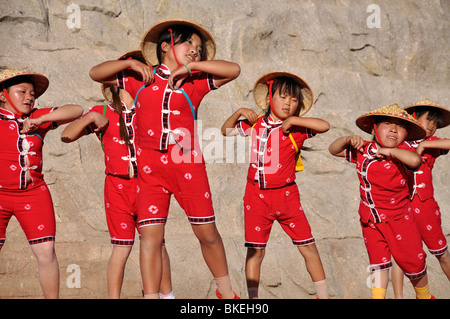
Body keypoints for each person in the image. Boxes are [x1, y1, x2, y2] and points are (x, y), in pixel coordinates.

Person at [89, 20, 240, 299]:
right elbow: (95, 72)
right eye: (188, 44)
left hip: (187, 164)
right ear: (166, 46)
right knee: (151, 238)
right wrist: (130, 65)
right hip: (150, 170)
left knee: (207, 233)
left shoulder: (195, 82)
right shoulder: (140, 79)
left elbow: (233, 70)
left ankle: (227, 292)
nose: (195, 50)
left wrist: (192, 67)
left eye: (199, 47)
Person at [61, 51, 175, 299]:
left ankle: (167, 296)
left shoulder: (152, 110)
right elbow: (66, 135)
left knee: (157, 245)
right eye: (133, 72)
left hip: (149, 187)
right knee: (121, 249)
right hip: (118, 189)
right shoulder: (104, 111)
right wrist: (90, 118)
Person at [222, 71, 330, 299]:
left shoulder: (297, 130)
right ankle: (252, 301)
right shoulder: (256, 124)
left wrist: (295, 121)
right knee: (255, 252)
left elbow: (324, 126)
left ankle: (324, 296)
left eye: (293, 100)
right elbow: (226, 130)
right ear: (270, 97)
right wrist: (239, 112)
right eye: (283, 97)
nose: (288, 103)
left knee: (308, 247)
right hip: (255, 197)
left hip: (287, 197)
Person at [328, 103, 436, 299]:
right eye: (387, 123)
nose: (394, 129)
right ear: (374, 128)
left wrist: (391, 152)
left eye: (400, 126)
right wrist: (346, 139)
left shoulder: (402, 154)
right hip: (370, 220)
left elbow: (415, 161)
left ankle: (425, 295)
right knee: (378, 264)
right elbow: (333, 150)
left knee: (414, 263)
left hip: (399, 220)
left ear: (406, 134)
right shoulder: (363, 150)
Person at [0, 69, 83, 298]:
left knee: (46, 251)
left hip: (34, 194)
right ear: (3, 95)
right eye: (22, 91)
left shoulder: (39, 117)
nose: (29, 97)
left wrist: (41, 119)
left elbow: (77, 110)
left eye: (33, 93)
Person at [391, 99, 450, 298]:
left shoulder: (432, 144)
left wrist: (424, 144)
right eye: (429, 120)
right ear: (414, 118)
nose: (432, 126)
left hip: (425, 205)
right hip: (401, 206)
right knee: (400, 253)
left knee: (441, 251)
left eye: (436, 124)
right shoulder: (399, 142)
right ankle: (399, 296)